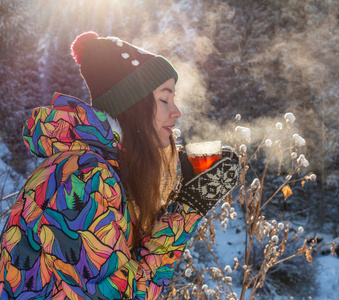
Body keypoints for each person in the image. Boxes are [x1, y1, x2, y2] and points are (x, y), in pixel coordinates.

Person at [0, 32, 240, 299]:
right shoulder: (82, 176)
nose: (176, 111)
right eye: (164, 99)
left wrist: (179, 197)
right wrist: (189, 208)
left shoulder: (105, 168)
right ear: (132, 104)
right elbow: (124, 293)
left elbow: (126, 262)